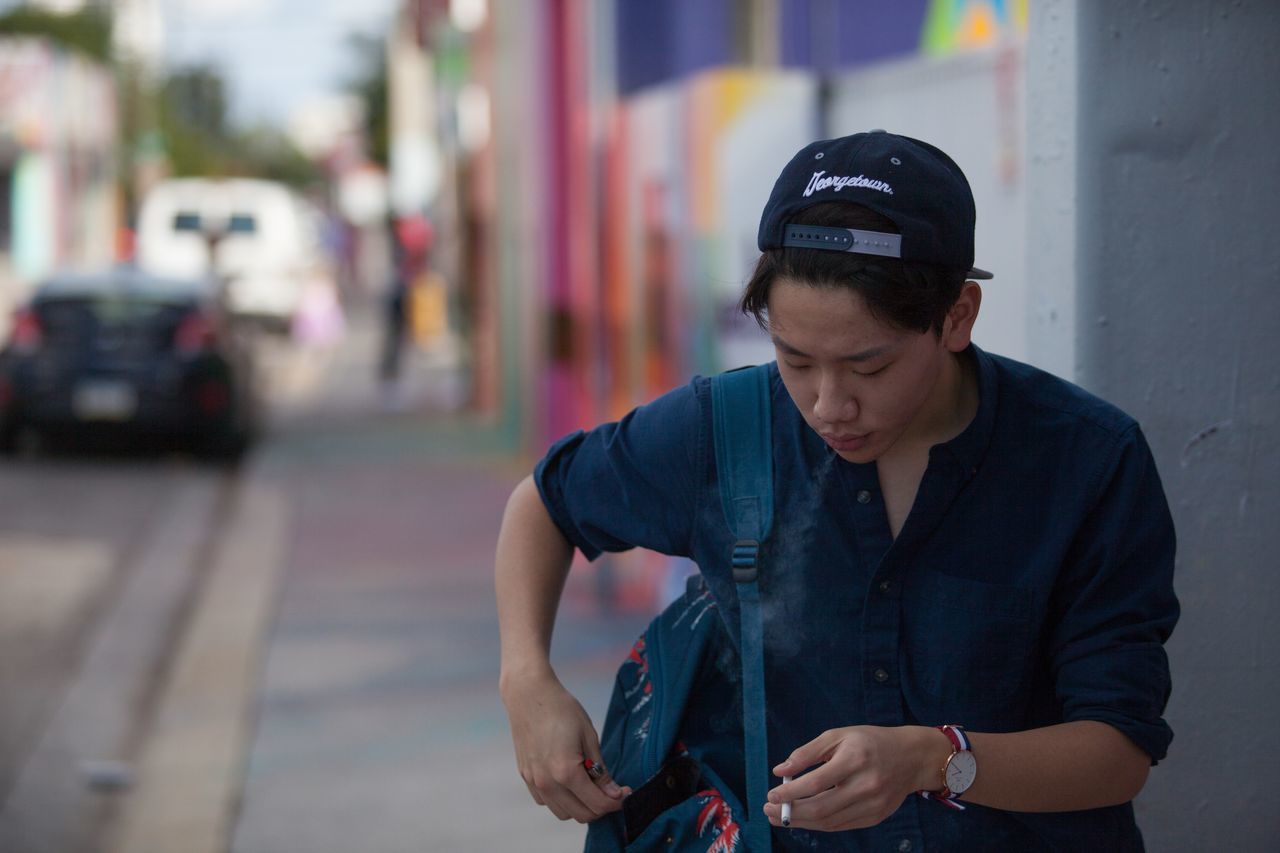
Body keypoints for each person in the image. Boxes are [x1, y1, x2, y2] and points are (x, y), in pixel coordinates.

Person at [496, 130, 1178, 850]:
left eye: (868, 368)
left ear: (957, 316)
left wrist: (935, 759)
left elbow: (1118, 751)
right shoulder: (725, 431)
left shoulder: (1085, 459)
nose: (827, 404)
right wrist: (526, 679)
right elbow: (545, 504)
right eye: (795, 359)